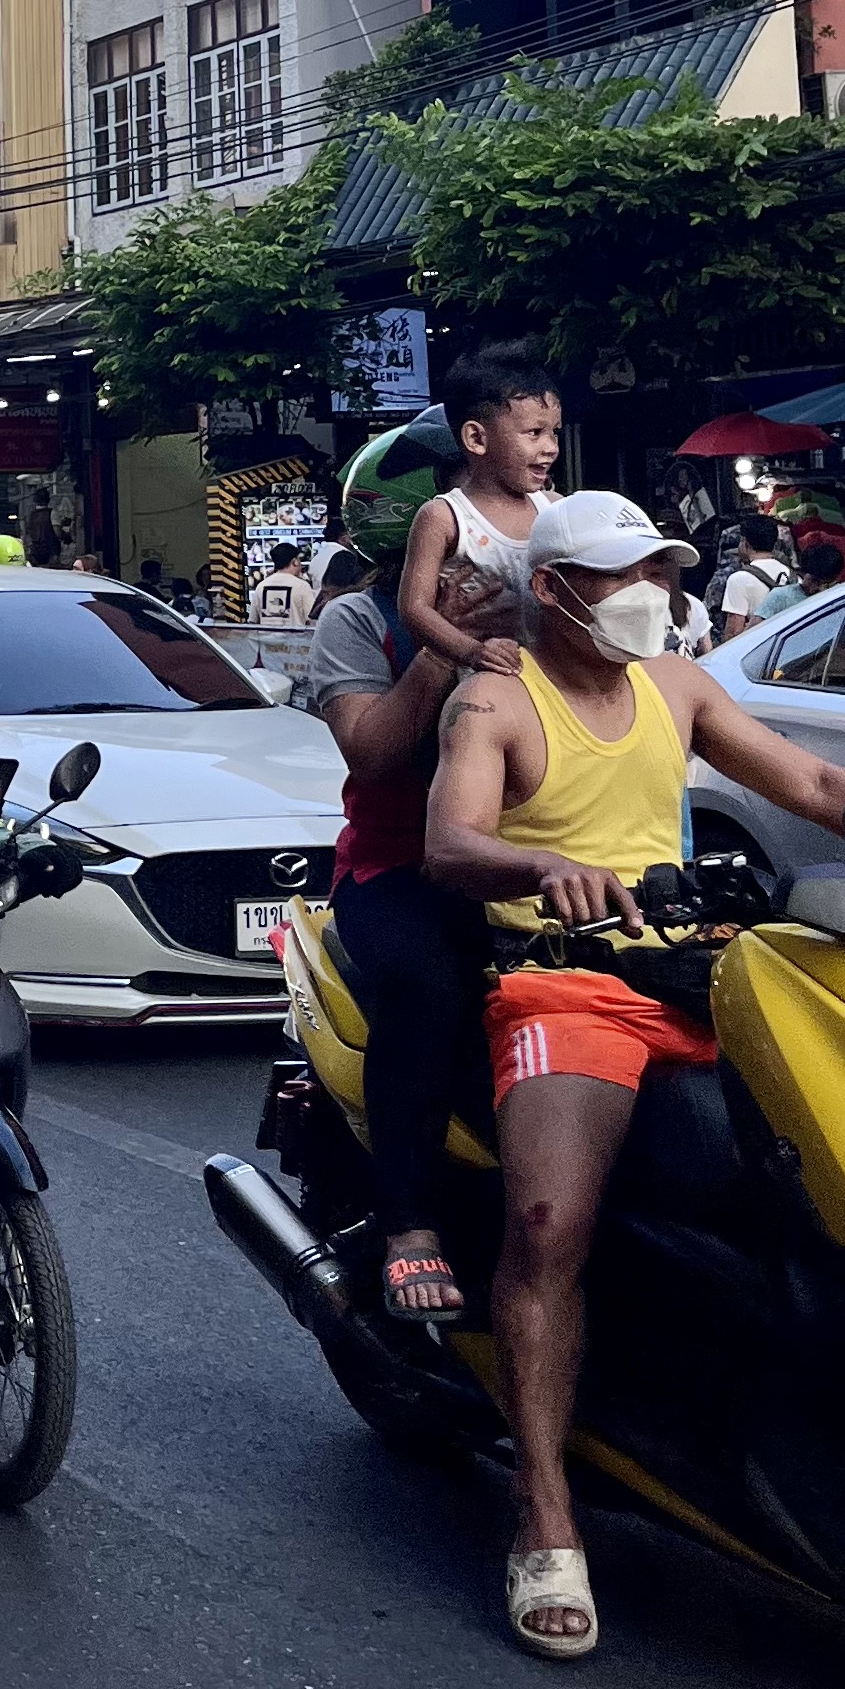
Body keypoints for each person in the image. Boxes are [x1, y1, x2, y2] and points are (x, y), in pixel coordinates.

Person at [426, 492, 845, 1662]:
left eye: (663, 573)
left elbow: (815, 787)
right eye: (625, 575)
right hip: (562, 981)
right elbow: (450, 841)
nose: (651, 595)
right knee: (547, 1219)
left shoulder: (679, 688)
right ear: (556, 589)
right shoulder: (495, 696)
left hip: (707, 973)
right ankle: (547, 1516)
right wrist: (543, 863)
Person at [302, 419, 507, 1322]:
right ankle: (411, 1224)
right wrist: (438, 652)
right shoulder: (356, 622)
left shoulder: (541, 604)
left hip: (533, 873)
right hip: (398, 871)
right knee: (430, 987)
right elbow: (373, 755)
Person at [396, 341, 559, 680]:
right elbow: (414, 608)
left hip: (556, 683)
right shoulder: (444, 517)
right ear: (477, 438)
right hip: (485, 685)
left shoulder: (556, 509)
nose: (551, 448)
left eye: (554, 432)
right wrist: (472, 651)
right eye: (534, 433)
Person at [714, 512, 793, 643]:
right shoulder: (793, 577)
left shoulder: (739, 580)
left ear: (744, 543)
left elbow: (733, 632)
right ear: (774, 544)